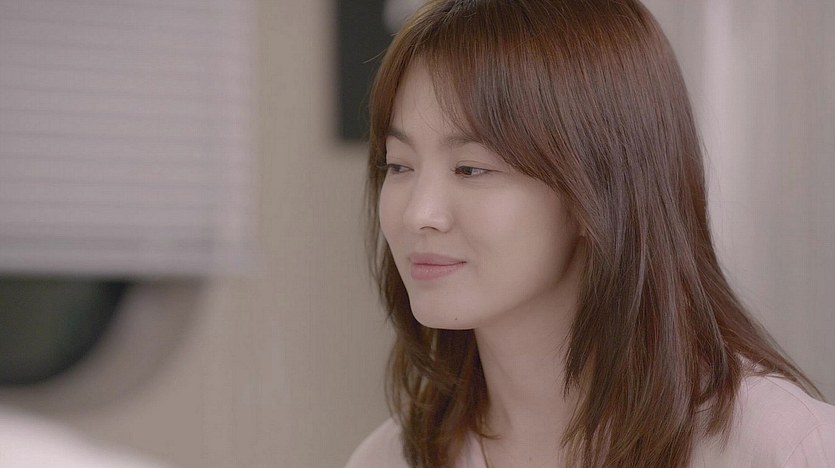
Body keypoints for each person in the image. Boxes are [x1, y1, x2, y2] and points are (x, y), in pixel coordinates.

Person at [346, 0, 835, 466]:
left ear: (597, 189)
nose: (419, 214)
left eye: (471, 169)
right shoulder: (390, 459)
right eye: (399, 165)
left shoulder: (778, 448)